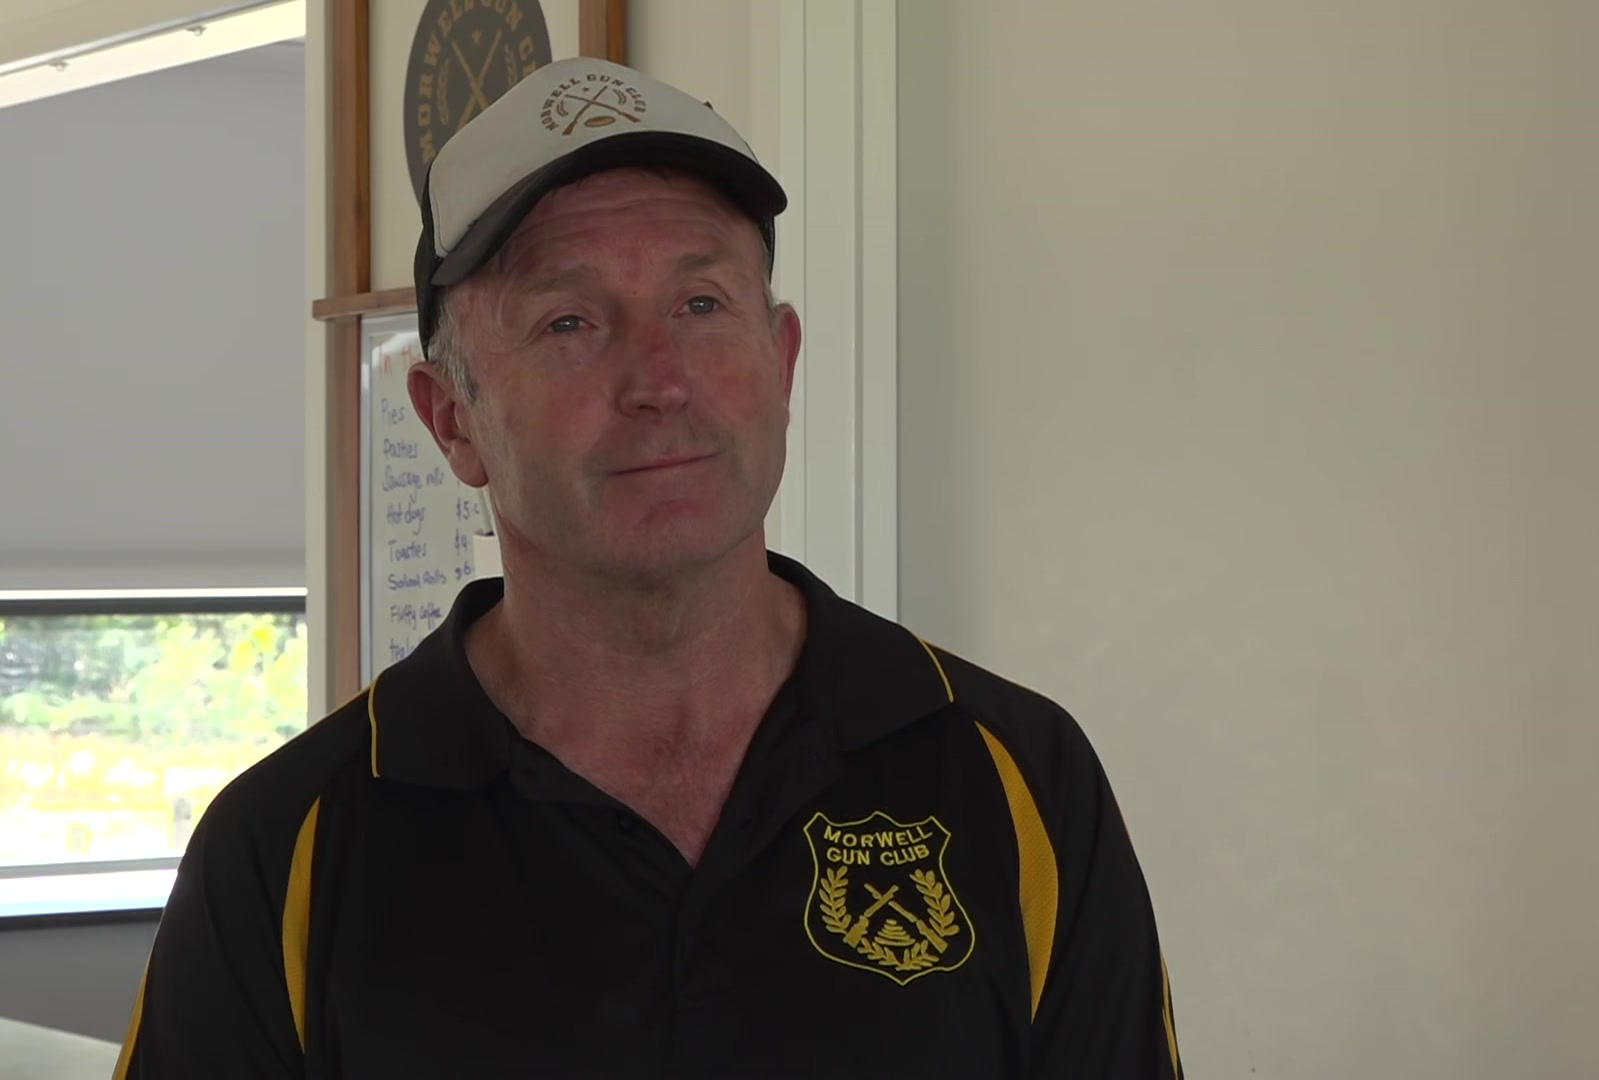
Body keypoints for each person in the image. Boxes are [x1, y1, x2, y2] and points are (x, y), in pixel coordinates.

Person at [114, 56, 1182, 1079]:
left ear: (783, 362)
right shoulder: (290, 849)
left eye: (701, 305)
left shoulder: (1014, 776)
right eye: (570, 321)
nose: (658, 382)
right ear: (452, 421)